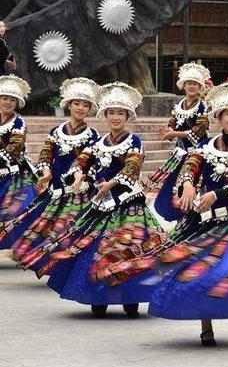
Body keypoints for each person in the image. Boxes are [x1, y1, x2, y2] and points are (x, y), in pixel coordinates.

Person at [92, 81, 228, 346]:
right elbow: (190, 167)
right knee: (198, 268)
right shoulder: (206, 146)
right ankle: (206, 327)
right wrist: (187, 184)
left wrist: (213, 195)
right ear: (218, 116)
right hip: (203, 219)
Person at [32, 82, 166, 318]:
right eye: (111, 112)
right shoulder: (97, 143)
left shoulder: (134, 140)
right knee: (96, 248)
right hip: (102, 204)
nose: (115, 117)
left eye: (120, 113)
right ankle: (99, 296)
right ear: (104, 115)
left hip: (127, 204)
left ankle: (130, 298)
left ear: (128, 116)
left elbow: (133, 167)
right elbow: (81, 161)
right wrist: (78, 175)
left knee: (128, 247)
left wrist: (110, 184)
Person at [0, 78, 100, 265]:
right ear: (68, 105)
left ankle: (67, 265)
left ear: (89, 109)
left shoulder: (93, 135)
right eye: (76, 103)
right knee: (45, 223)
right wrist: (45, 172)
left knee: (70, 226)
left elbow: (88, 158)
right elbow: (46, 153)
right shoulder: (56, 131)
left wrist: (79, 175)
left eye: (85, 105)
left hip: (78, 189)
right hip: (54, 187)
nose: (80, 108)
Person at [148, 62, 211, 222]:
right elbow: (172, 123)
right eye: (189, 83)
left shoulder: (203, 106)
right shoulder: (179, 105)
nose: (192, 86)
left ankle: (191, 217)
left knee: (192, 182)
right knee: (171, 182)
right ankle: (175, 214)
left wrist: (175, 133)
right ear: (183, 85)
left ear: (200, 87)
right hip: (180, 151)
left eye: (195, 84)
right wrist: (168, 133)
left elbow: (200, 130)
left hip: (198, 151)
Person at [0, 75, 36, 226]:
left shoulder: (19, 122)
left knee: (12, 211)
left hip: (14, 173)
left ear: (17, 103)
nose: (8, 102)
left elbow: (14, 148)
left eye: (12, 100)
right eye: (5, 98)